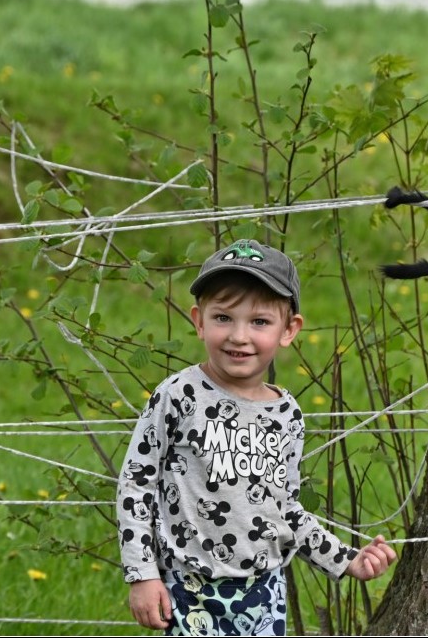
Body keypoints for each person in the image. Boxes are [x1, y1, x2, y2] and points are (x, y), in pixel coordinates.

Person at [117, 238, 397, 636]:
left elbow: (286, 512)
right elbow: (136, 484)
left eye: (260, 322)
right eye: (223, 318)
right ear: (199, 320)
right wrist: (142, 574)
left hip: (264, 592)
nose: (239, 336)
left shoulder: (287, 415)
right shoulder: (179, 396)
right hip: (189, 588)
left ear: (289, 330)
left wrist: (347, 559)